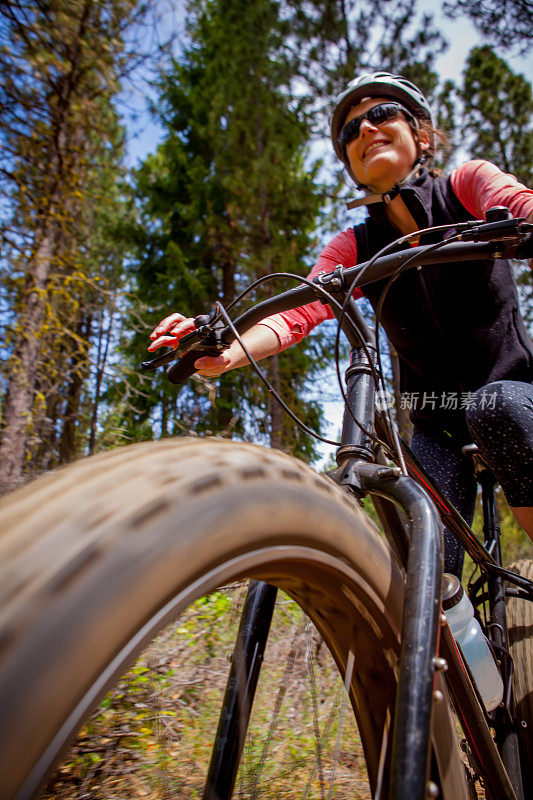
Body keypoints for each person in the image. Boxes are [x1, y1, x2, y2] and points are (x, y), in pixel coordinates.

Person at [148, 72, 533, 576]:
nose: (365, 131)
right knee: (426, 570)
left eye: (380, 115)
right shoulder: (352, 247)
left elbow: (520, 203)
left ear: (420, 135)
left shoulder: (466, 186)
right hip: (435, 422)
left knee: (496, 405)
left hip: (511, 389)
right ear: (351, 165)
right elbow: (298, 311)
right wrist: (226, 349)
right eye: (350, 131)